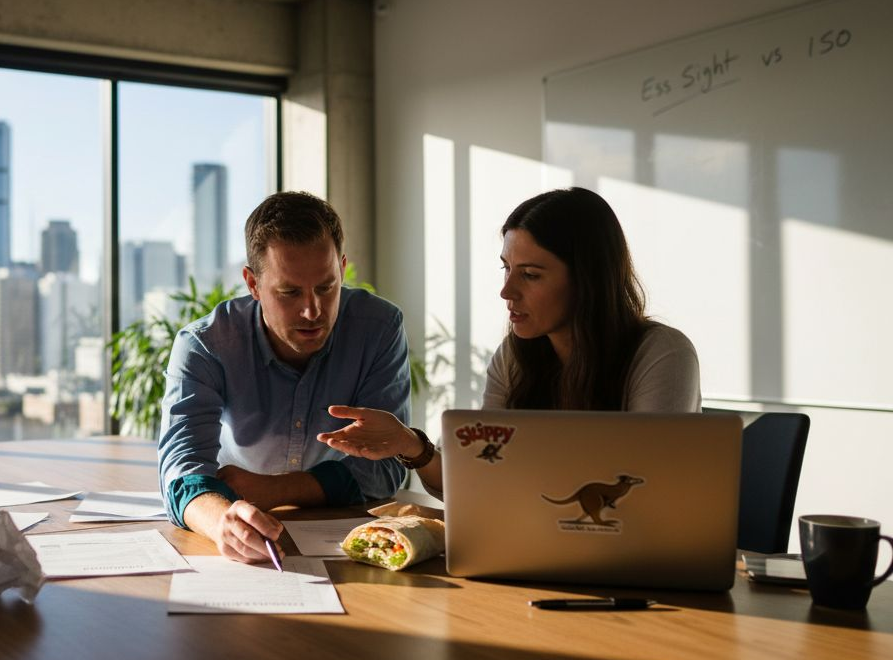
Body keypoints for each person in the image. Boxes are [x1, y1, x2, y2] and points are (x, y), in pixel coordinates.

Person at [316, 186, 701, 494]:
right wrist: (408, 444)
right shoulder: (515, 358)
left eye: (530, 275)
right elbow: (474, 480)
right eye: (507, 269)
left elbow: (645, 488)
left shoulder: (661, 354)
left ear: (588, 279)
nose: (506, 291)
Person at [158, 191, 412, 563]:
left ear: (342, 268)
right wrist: (222, 524)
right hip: (241, 525)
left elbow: (387, 467)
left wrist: (273, 490)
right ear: (253, 284)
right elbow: (181, 473)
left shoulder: (379, 329)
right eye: (289, 292)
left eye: (327, 287)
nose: (313, 311)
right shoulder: (205, 346)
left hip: (346, 538)